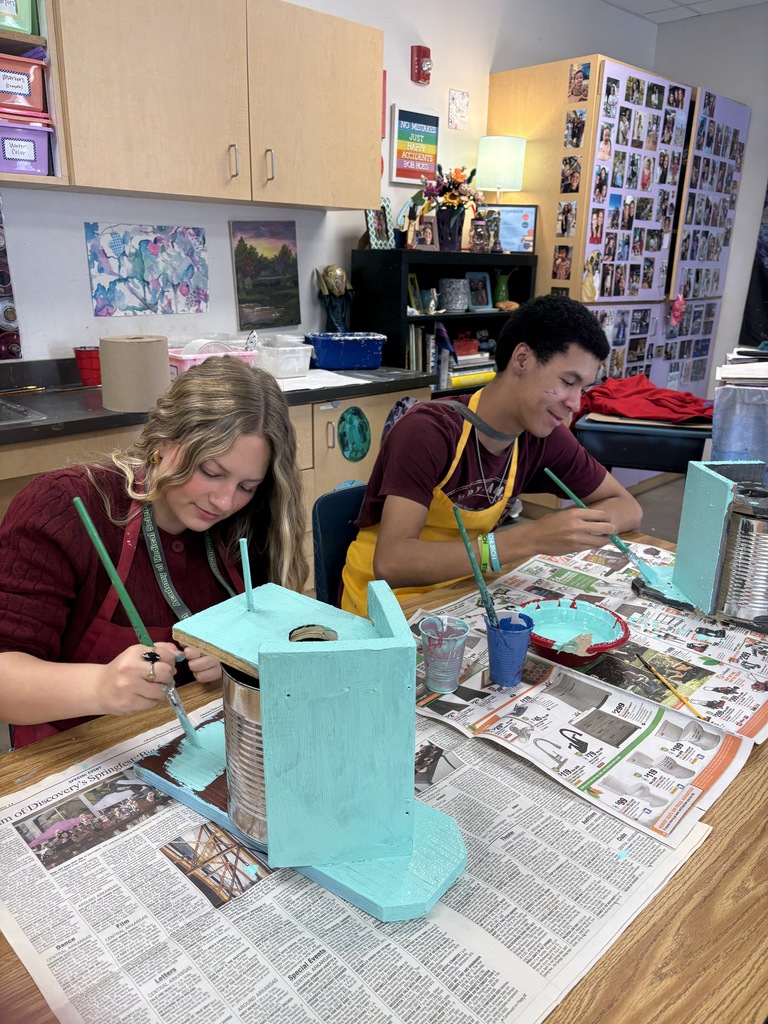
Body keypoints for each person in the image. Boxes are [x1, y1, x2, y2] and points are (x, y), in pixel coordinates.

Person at [0, 358, 308, 748]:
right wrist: (100, 686)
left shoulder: (246, 523)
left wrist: (235, 659)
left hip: (190, 739)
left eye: (246, 485)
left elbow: (272, 638)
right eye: (211, 472)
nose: (224, 500)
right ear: (163, 439)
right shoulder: (65, 506)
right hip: (76, 750)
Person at [341, 295, 642, 617]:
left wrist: (577, 528)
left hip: (465, 591)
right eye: (568, 382)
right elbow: (393, 562)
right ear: (523, 359)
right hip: (387, 605)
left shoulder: (542, 436)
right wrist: (530, 538)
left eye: (584, 388)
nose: (575, 403)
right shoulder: (428, 431)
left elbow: (628, 508)